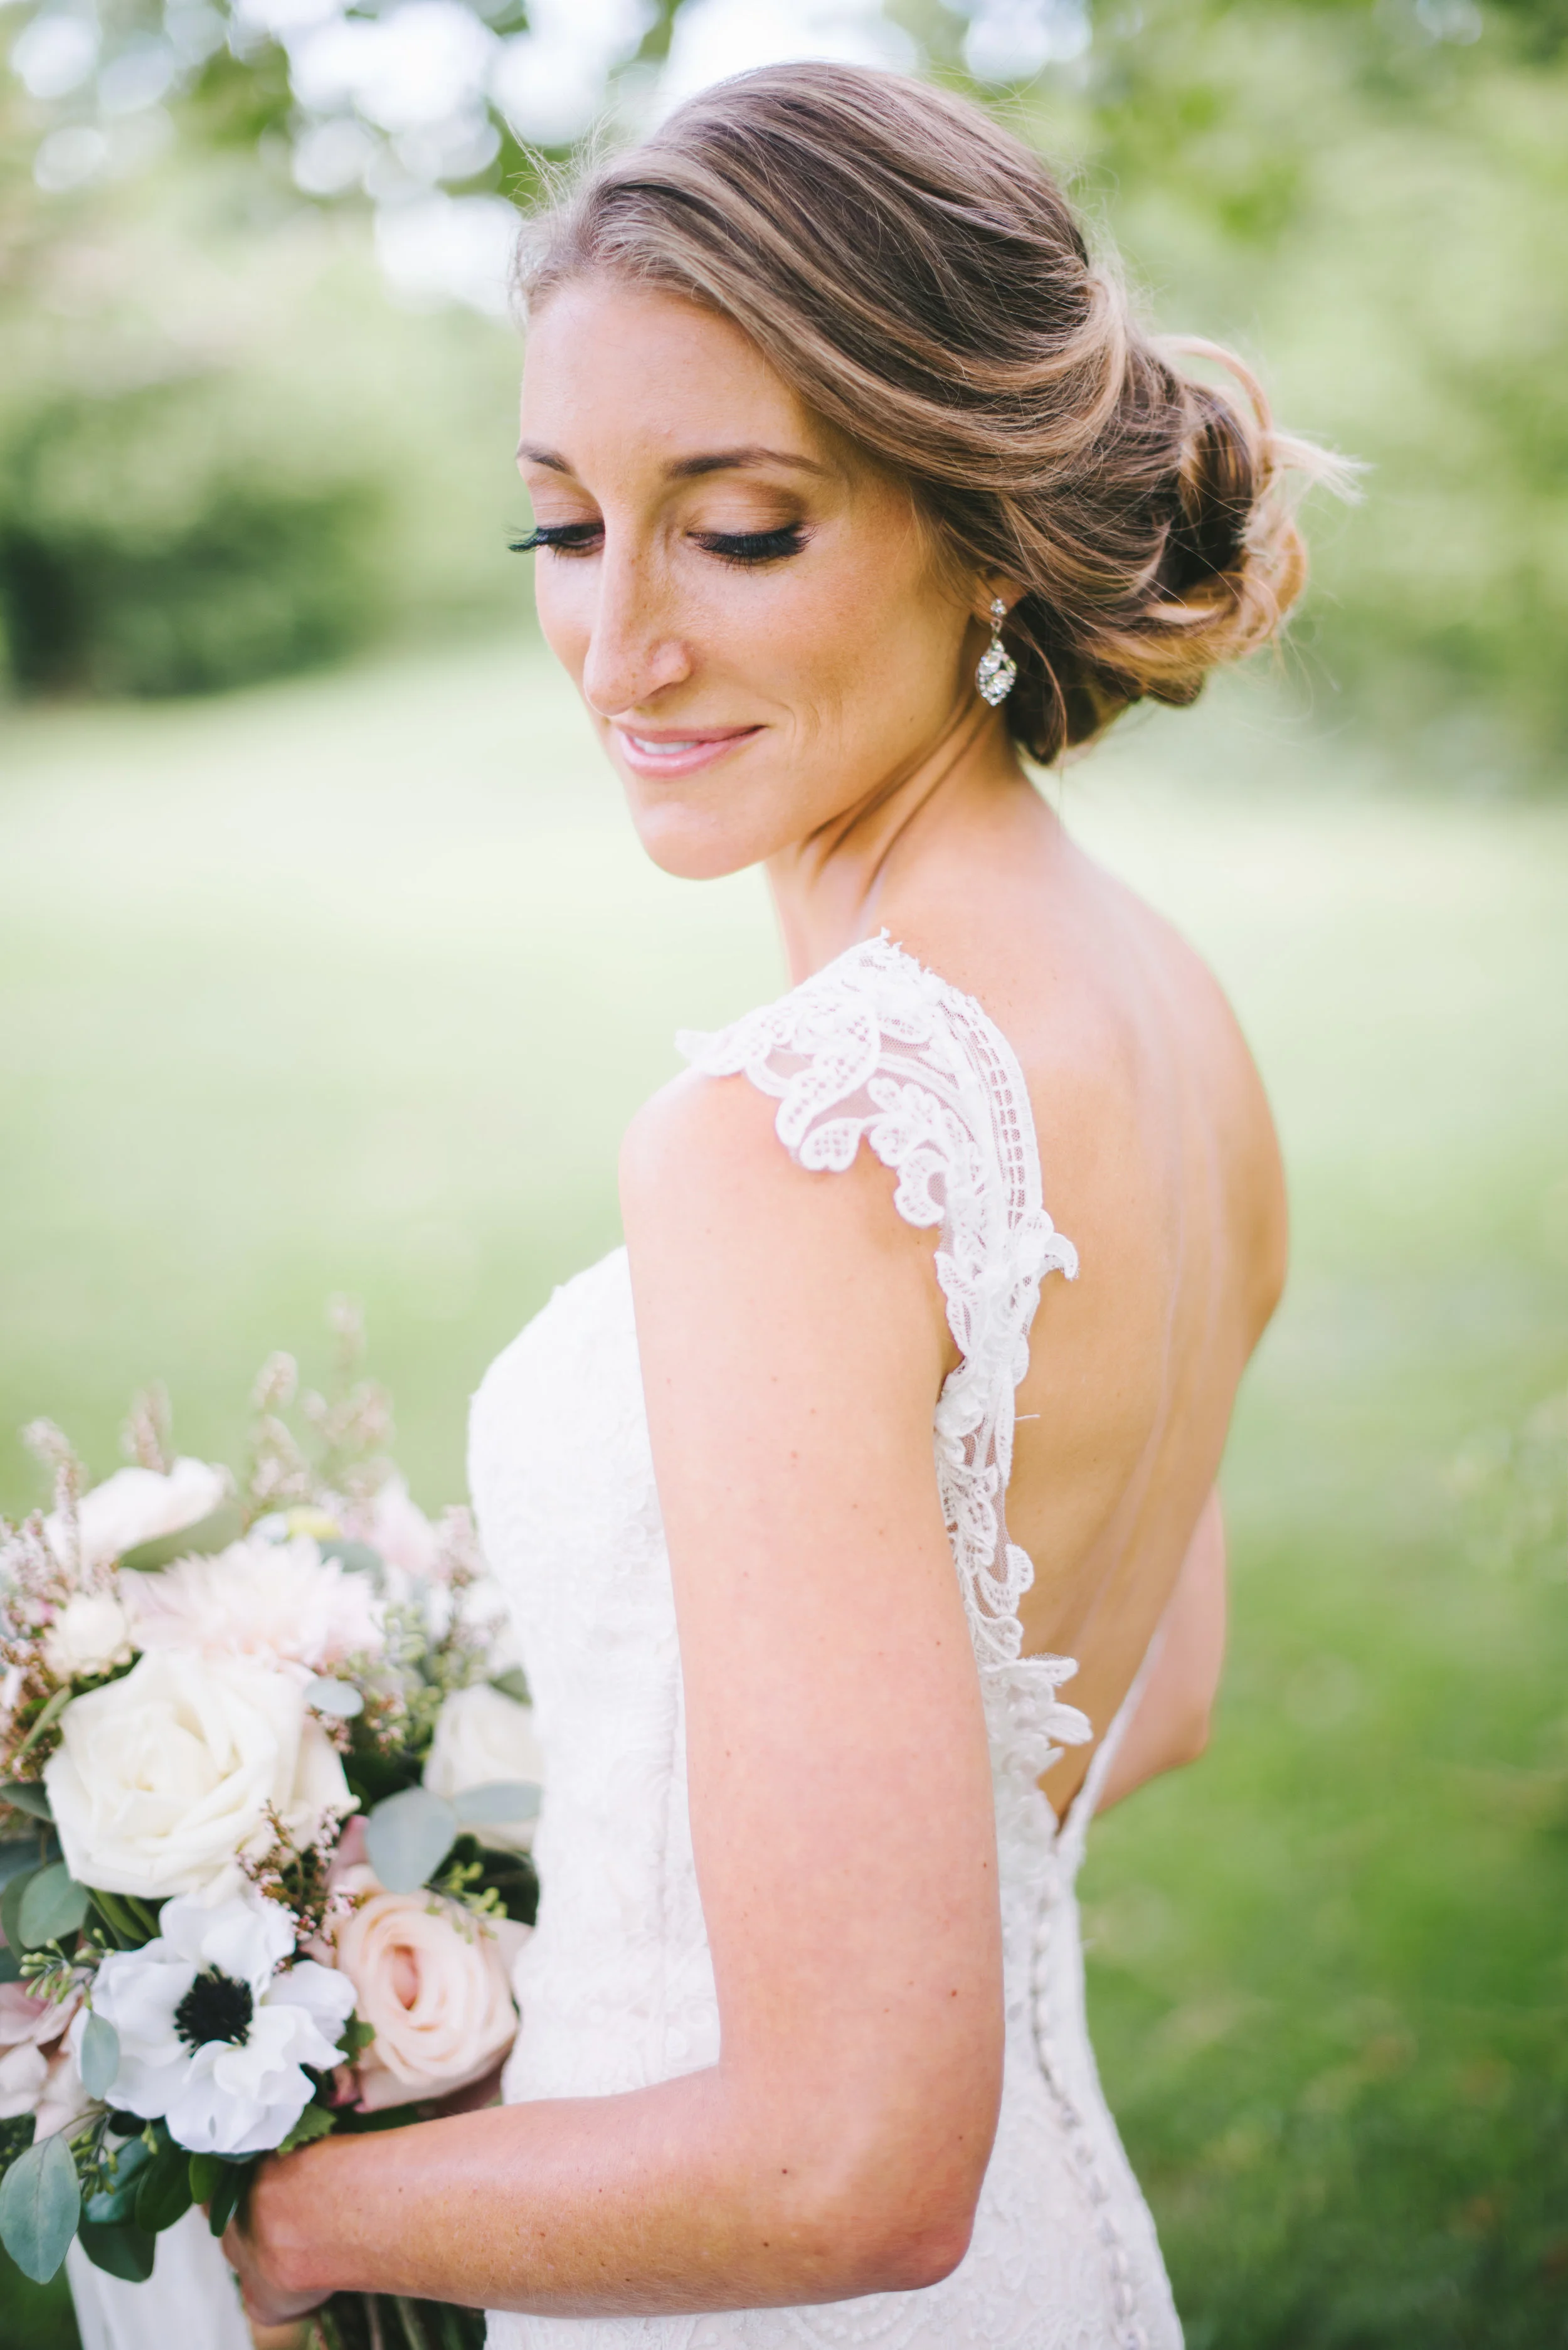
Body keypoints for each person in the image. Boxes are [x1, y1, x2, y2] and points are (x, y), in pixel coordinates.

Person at [225, 60, 1340, 2348]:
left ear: (984, 516)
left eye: (737, 529)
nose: (617, 645)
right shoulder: (1175, 1018)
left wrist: (282, 2214)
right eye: (560, 525)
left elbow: (842, 2167)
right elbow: (1159, 1690)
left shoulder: (788, 1140)